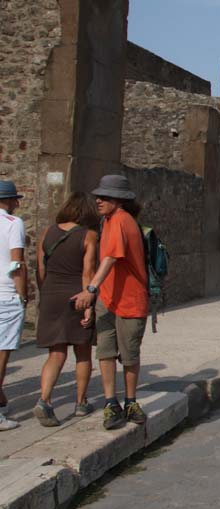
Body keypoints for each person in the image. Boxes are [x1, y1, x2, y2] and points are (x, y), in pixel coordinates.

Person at [72, 175, 149, 430]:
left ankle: (129, 401)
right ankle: (110, 402)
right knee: (105, 351)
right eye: (98, 196)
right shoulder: (107, 221)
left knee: (128, 356)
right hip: (109, 298)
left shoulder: (120, 220)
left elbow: (111, 259)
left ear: (119, 200)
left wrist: (90, 290)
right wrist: (96, 298)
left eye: (105, 197)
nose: (99, 200)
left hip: (129, 299)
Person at [33, 193, 100, 427]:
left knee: (56, 352)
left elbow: (40, 268)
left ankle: (44, 400)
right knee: (82, 351)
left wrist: (46, 292)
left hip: (51, 293)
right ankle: (81, 402)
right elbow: (88, 272)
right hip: (76, 296)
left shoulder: (46, 233)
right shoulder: (89, 236)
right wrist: (89, 304)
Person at [0, 181, 28, 431]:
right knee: (1, 355)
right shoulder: (13, 223)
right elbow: (16, 263)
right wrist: (23, 296)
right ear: (8, 201)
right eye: (15, 200)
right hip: (5, 294)